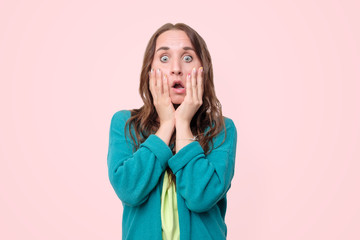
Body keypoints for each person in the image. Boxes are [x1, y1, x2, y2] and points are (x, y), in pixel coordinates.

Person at [107, 23, 237, 240]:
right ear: (150, 70)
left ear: (203, 69)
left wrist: (183, 123)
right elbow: (129, 189)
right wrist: (167, 124)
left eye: (187, 58)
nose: (176, 68)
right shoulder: (125, 124)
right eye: (164, 58)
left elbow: (201, 197)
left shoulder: (221, 129)